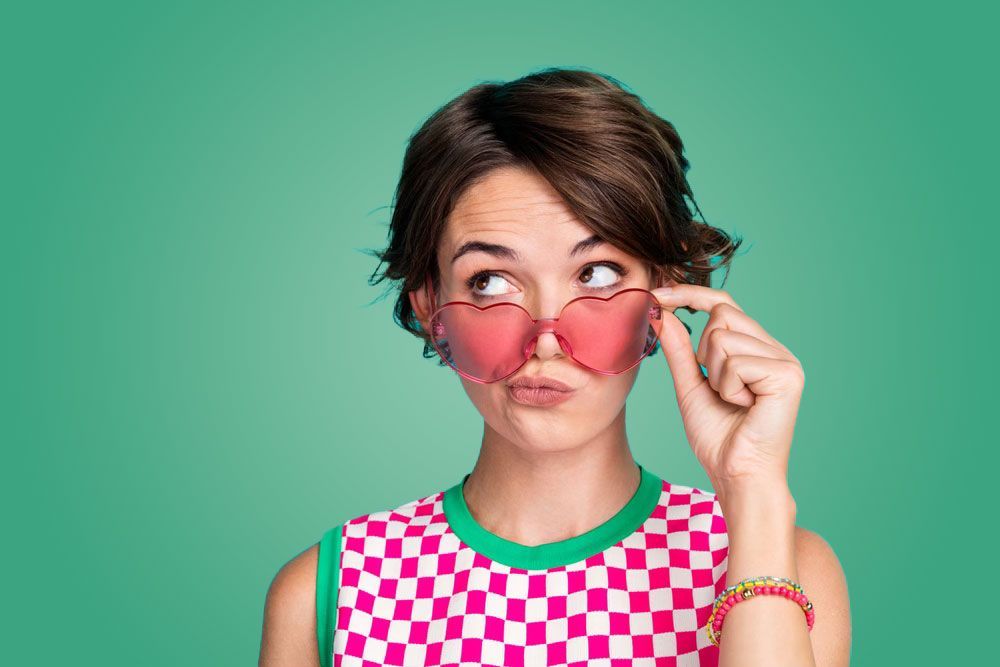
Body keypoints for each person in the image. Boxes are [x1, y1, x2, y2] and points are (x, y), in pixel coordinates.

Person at [259, 67, 851, 667]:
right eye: (490, 282)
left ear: (663, 296)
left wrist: (751, 489)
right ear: (431, 310)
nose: (546, 340)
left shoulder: (777, 560)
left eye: (595, 274)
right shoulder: (328, 596)